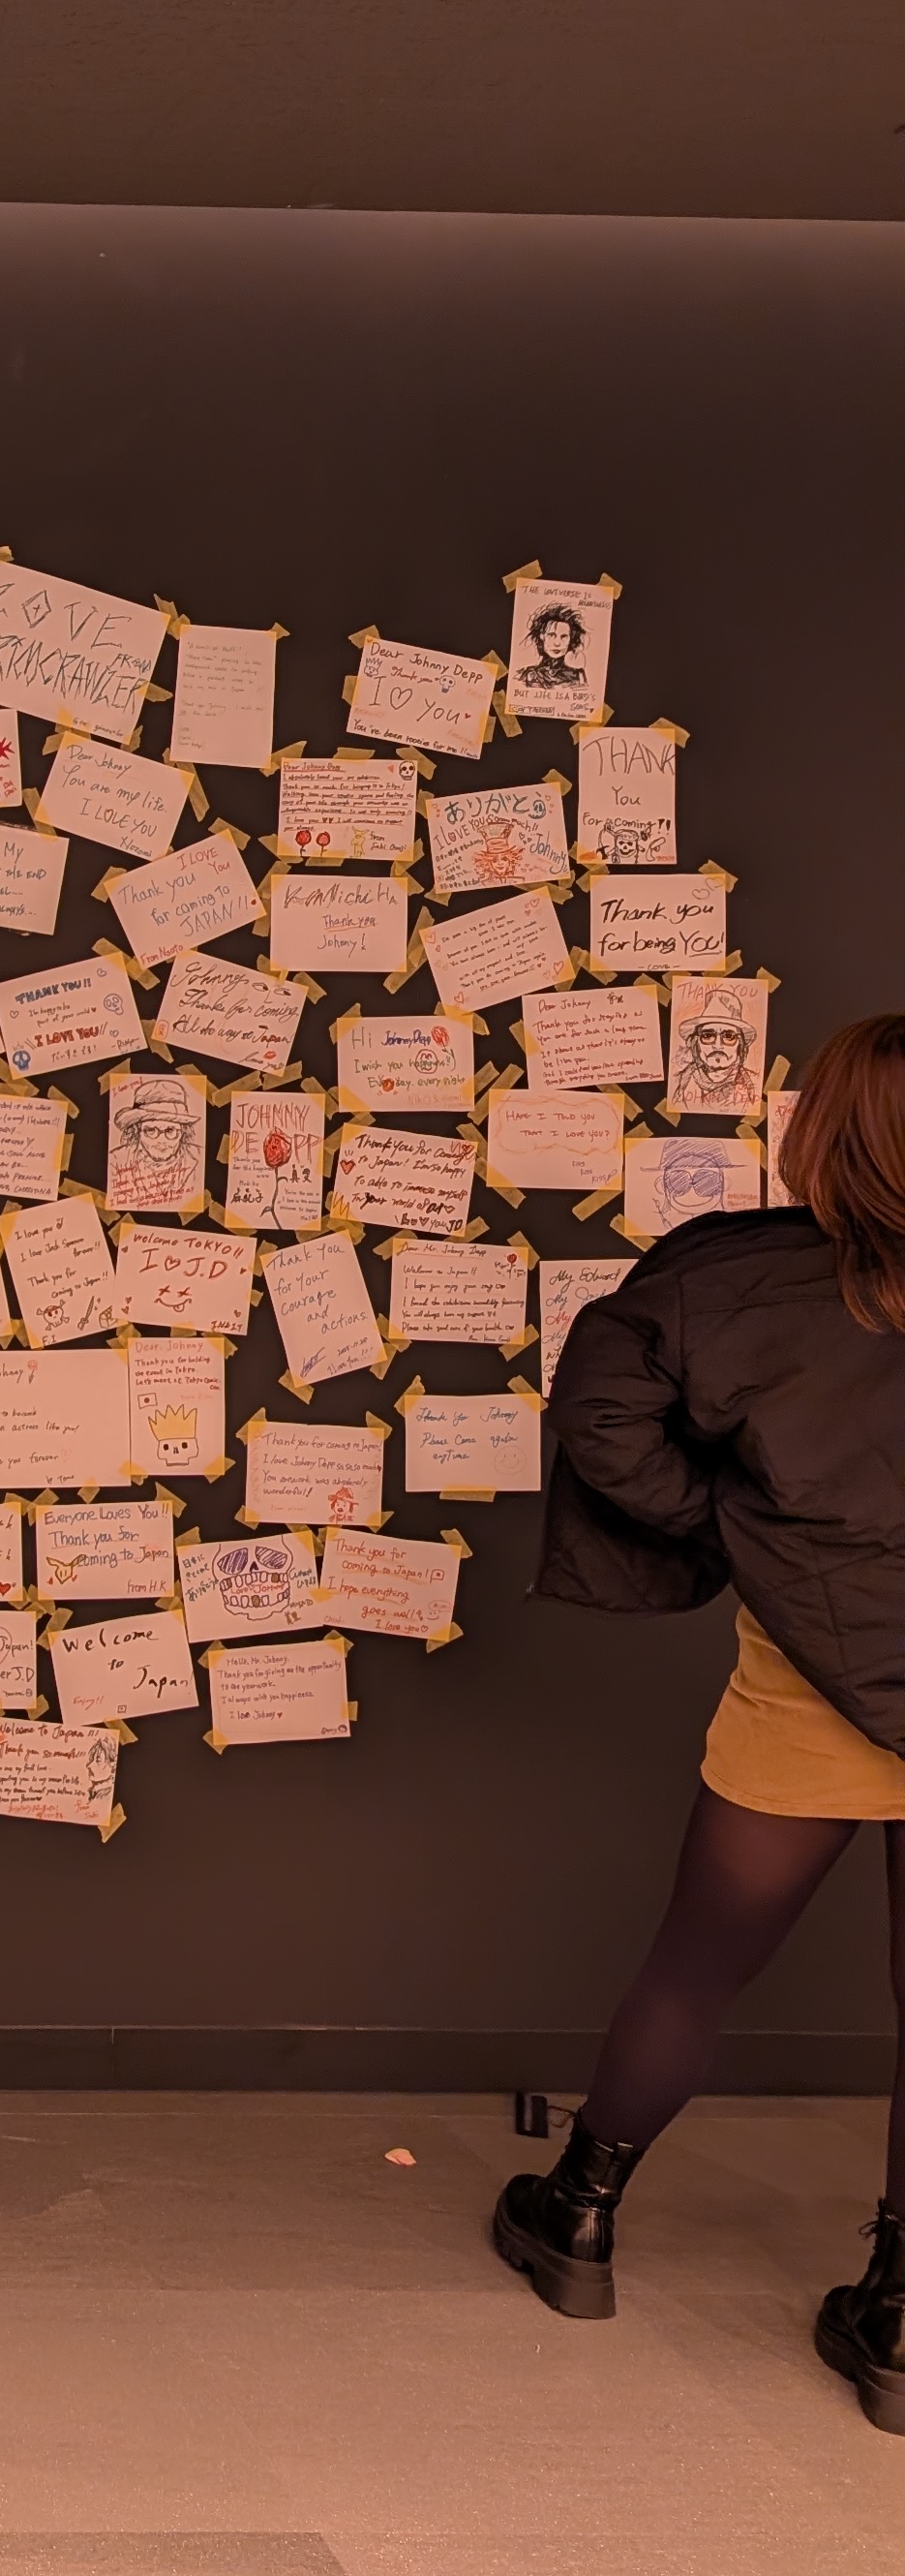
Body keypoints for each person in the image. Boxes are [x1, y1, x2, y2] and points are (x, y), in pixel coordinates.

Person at [498, 1016, 905, 2425]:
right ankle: (901, 2319)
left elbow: (601, 1410)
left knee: (694, 1973)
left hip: (813, 1689)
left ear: (824, 1134)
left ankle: (580, 2218)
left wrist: (741, 1529)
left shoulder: (732, 1277)